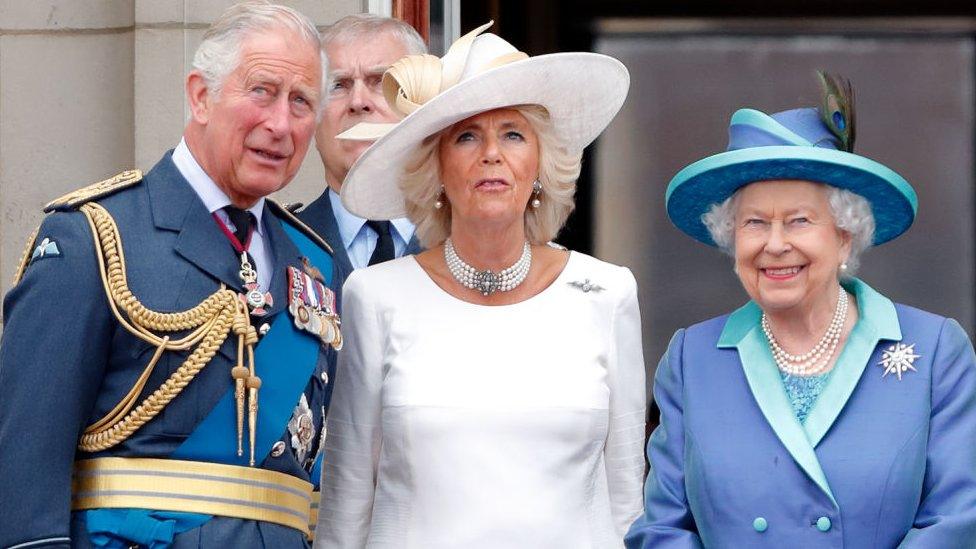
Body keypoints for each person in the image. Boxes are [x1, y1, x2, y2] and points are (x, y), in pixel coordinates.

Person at [0, 2, 343, 547]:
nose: (280, 123)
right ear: (200, 96)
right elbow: (24, 476)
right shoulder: (94, 238)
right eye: (261, 91)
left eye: (301, 102)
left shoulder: (316, 266)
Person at [313, 23, 646, 548]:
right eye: (467, 135)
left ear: (539, 163)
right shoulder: (374, 296)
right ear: (437, 167)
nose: (491, 153)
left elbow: (627, 501)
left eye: (513, 133)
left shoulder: (606, 293)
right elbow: (346, 506)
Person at [625, 75, 976, 548]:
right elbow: (661, 528)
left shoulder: (935, 351)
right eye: (754, 223)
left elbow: (958, 521)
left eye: (799, 221)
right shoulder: (693, 359)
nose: (774, 244)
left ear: (845, 236)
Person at [298, 14, 426, 283]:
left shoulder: (470, 241)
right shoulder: (275, 245)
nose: (358, 101)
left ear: (423, 104)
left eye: (381, 81)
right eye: (337, 85)